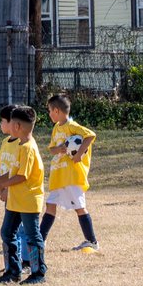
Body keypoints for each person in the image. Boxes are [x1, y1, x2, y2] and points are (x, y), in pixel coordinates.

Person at [0, 105, 46, 284]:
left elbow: (22, 176)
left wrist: (2, 183)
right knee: (7, 232)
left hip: (28, 200)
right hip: (15, 200)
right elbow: (13, 172)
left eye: (10, 122)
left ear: (17, 127)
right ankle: (12, 271)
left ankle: (38, 273)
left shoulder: (27, 147)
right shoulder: (19, 145)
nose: (8, 125)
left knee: (32, 235)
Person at [42, 94, 99, 250]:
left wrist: (79, 154)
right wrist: (59, 149)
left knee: (79, 208)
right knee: (50, 204)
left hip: (71, 176)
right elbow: (52, 149)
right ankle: (40, 240)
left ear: (57, 111)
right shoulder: (56, 128)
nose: (49, 114)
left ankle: (92, 241)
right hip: (59, 175)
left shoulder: (72, 126)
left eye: (50, 111)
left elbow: (90, 135)